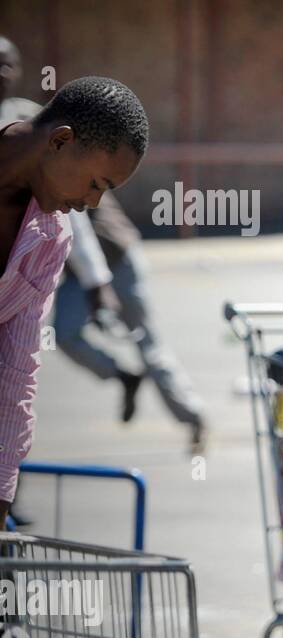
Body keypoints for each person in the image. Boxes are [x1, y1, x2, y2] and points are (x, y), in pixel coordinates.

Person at [0, 76, 148, 525]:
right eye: (95, 184)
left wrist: (4, 489)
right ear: (61, 141)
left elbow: (18, 369)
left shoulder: (50, 237)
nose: (91, 202)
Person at [55, 190, 208, 449]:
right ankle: (123, 376)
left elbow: (78, 226)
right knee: (63, 333)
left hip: (117, 258)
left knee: (149, 347)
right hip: (77, 274)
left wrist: (98, 285)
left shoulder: (67, 158)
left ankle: (193, 416)